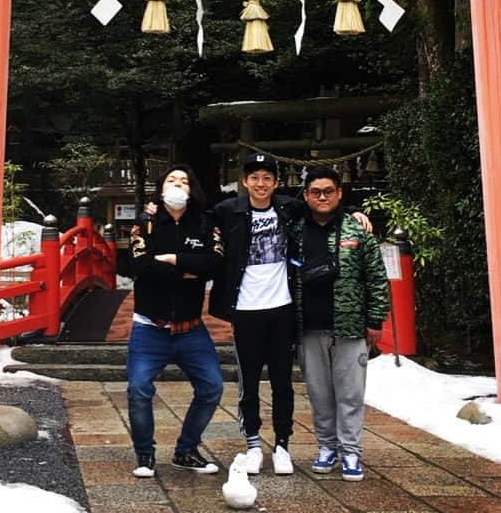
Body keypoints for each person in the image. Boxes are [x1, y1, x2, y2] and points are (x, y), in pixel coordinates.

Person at [288, 165, 390, 481]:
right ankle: (326, 447)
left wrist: (375, 320)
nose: (322, 197)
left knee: (350, 393)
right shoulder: (294, 231)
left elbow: (376, 277)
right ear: (305, 195)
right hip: (308, 326)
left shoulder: (357, 231)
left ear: (339, 194)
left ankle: (351, 452)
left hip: (350, 326)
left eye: (328, 191)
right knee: (319, 394)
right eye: (315, 192)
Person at [126, 164, 224, 478]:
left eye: (184, 180)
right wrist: (186, 271)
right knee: (139, 388)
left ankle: (186, 450)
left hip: (190, 328)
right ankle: (144, 454)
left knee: (212, 387)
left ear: (192, 188)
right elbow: (140, 266)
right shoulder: (147, 222)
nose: (178, 185)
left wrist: (171, 259)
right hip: (149, 327)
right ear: (161, 187)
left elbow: (215, 264)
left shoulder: (205, 223)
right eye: (171, 180)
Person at [208, 151, 300, 475]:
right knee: (248, 381)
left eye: (267, 178)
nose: (261, 184)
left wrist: (356, 213)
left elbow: (325, 208)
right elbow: (195, 220)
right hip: (246, 309)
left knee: (282, 382)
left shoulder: (289, 208)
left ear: (276, 183)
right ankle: (252, 443)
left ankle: (283, 444)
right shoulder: (228, 211)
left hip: (282, 307)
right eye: (254, 178)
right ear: (244, 182)